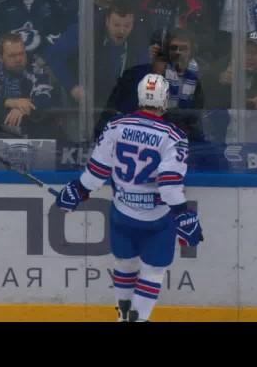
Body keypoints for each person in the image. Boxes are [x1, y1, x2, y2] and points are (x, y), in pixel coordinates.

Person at [54, 73, 203, 322]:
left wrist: (77, 191)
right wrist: (183, 216)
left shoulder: (116, 126)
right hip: (156, 220)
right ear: (164, 100)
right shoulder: (174, 136)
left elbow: (96, 173)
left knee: (125, 265)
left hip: (122, 215)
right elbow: (168, 187)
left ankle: (123, 318)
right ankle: (138, 320)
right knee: (153, 271)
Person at [0, 33, 55, 138]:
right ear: (0, 57)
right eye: (12, 56)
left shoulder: (38, 71)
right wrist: (12, 103)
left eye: (21, 54)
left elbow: (44, 97)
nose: (18, 59)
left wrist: (21, 108)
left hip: (35, 132)